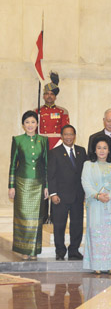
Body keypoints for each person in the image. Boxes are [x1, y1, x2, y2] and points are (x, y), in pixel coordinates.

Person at [81, 135, 111, 274]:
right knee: (96, 233)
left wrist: (110, 196)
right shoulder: (88, 165)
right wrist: (97, 195)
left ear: (109, 150)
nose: (102, 151)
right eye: (99, 148)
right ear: (94, 150)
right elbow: (85, 182)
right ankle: (97, 265)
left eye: (105, 148)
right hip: (95, 204)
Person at [8, 111, 49, 260]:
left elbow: (46, 166)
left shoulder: (43, 141)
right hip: (21, 183)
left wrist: (46, 186)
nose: (30, 125)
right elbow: (13, 164)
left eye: (33, 122)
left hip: (38, 184)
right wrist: (11, 186)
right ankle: (23, 249)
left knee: (37, 218)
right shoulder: (17, 140)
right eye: (27, 122)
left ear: (37, 124)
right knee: (22, 216)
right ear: (23, 125)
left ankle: (34, 250)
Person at [47, 125, 87, 261]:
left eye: (71, 134)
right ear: (61, 136)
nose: (69, 137)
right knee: (59, 225)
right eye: (66, 134)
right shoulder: (54, 152)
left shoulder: (82, 151)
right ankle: (60, 251)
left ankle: (74, 250)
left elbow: (85, 174)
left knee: (77, 224)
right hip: (60, 197)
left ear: (74, 136)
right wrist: (53, 194)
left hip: (77, 195)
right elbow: (51, 175)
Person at [35, 71, 70, 150]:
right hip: (41, 143)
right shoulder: (37, 111)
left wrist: (61, 143)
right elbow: (34, 130)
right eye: (47, 94)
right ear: (43, 96)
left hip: (58, 143)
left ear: (55, 97)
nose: (49, 96)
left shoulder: (62, 111)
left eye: (52, 94)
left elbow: (66, 130)